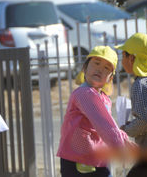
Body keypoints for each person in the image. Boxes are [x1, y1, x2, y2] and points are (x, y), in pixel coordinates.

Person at [57, 46, 136, 177]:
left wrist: (125, 142)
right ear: (84, 68)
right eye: (96, 63)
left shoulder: (104, 98)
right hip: (79, 161)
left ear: (110, 78)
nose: (100, 69)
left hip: (93, 160)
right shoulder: (84, 93)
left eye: (107, 68)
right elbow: (105, 126)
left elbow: (110, 125)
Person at [116, 32, 147, 176]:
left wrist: (126, 129)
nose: (122, 61)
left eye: (123, 55)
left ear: (132, 58)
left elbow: (145, 120)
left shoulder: (141, 84)